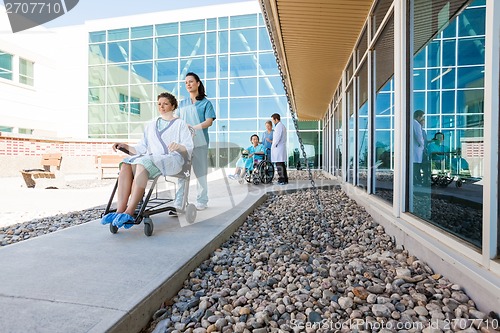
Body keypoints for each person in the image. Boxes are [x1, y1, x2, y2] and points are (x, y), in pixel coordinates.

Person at [101, 92, 194, 228]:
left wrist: (179, 146)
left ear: (173, 106)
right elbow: (141, 147)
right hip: (152, 159)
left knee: (141, 163)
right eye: (159, 104)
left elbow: (189, 146)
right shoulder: (151, 125)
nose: (161, 106)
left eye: (165, 104)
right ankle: (120, 211)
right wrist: (125, 146)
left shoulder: (180, 124)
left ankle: (130, 211)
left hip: (172, 159)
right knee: (126, 163)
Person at [174, 72, 216, 211]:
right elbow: (177, 120)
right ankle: (179, 203)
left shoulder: (206, 103)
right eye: (186, 82)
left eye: (191, 81)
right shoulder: (183, 103)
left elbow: (209, 121)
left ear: (198, 83)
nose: (188, 84)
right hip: (185, 144)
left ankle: (202, 200)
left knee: (200, 173)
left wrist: (193, 128)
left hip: (200, 143)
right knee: (182, 173)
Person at [271, 113, 288, 185]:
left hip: (278, 148)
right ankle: (285, 179)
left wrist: (273, 146)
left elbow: (277, 138)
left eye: (273, 120)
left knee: (279, 165)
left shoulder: (278, 127)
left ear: (276, 119)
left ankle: (282, 180)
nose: (273, 122)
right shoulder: (282, 126)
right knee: (282, 164)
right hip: (280, 148)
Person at [412, 110, 425, 184]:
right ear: (418, 116)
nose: (422, 119)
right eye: (422, 117)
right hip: (417, 149)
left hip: (414, 149)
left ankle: (416, 181)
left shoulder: (412, 123)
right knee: (416, 167)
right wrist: (422, 145)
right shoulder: (416, 124)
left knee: (415, 167)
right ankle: (418, 181)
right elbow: (419, 136)